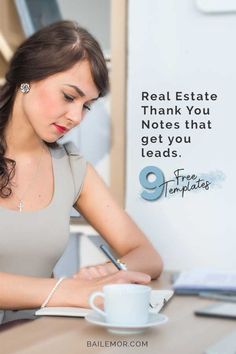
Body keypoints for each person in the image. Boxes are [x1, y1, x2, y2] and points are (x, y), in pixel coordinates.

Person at [0, 21, 163, 324]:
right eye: (68, 96)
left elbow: (147, 255)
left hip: (30, 338)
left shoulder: (71, 167)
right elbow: (69, 292)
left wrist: (108, 272)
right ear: (26, 81)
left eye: (87, 105)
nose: (76, 117)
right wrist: (70, 291)